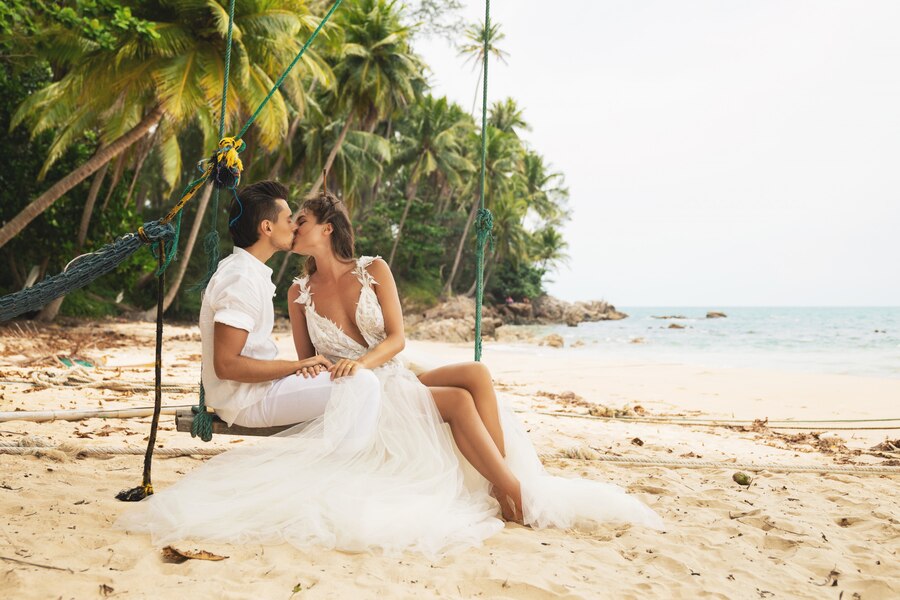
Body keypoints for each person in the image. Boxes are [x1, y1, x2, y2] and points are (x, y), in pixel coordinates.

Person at [286, 191, 663, 539]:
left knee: (476, 373)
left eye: (300, 220)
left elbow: (397, 339)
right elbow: (307, 362)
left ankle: (500, 476)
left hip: (390, 373)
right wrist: (330, 370)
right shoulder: (298, 293)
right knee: (458, 401)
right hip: (358, 393)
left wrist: (362, 363)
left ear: (327, 227)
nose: (294, 227)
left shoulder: (374, 270)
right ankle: (507, 489)